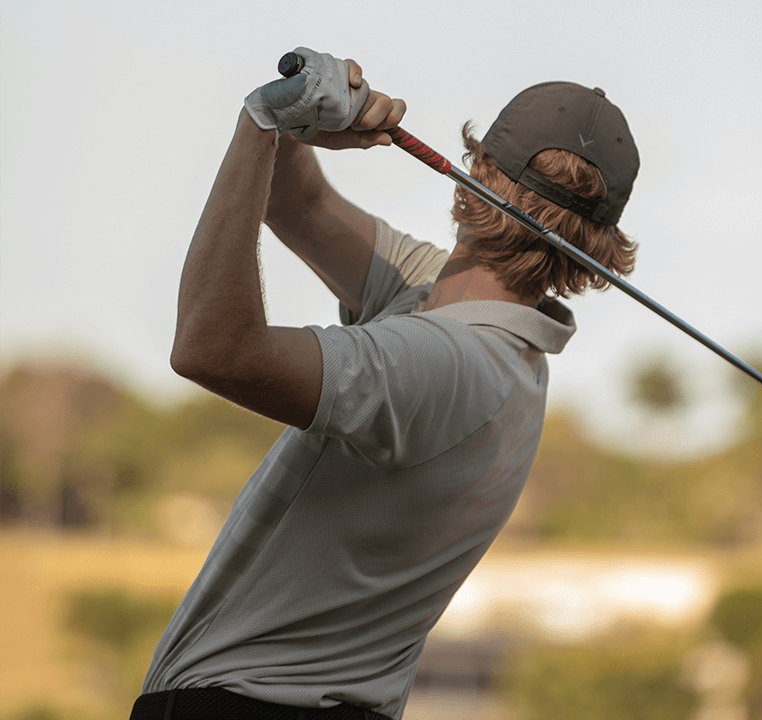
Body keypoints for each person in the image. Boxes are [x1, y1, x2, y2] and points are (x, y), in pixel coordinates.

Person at [130, 47, 639, 720]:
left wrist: (258, 124)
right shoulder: (450, 306)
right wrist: (300, 122)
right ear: (598, 243)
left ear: (476, 167)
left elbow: (213, 348)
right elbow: (303, 203)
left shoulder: (448, 364)